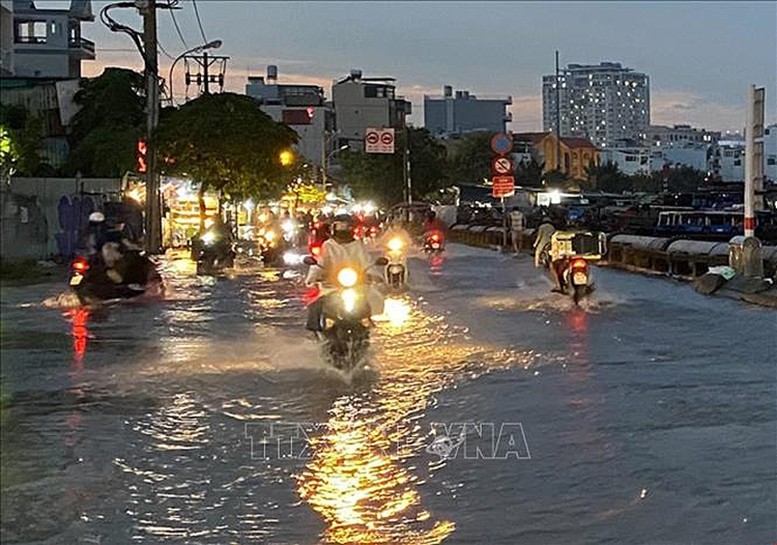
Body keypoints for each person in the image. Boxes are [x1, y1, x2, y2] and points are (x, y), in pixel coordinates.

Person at [306, 215, 383, 331]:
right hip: (332, 286)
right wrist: (313, 277)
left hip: (356, 285)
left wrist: (374, 275)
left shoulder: (357, 245)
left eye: (346, 227)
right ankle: (318, 329)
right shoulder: (328, 245)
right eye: (340, 226)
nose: (343, 230)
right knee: (316, 304)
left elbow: (366, 262)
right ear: (333, 228)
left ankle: (366, 322)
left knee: (372, 298)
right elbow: (321, 263)